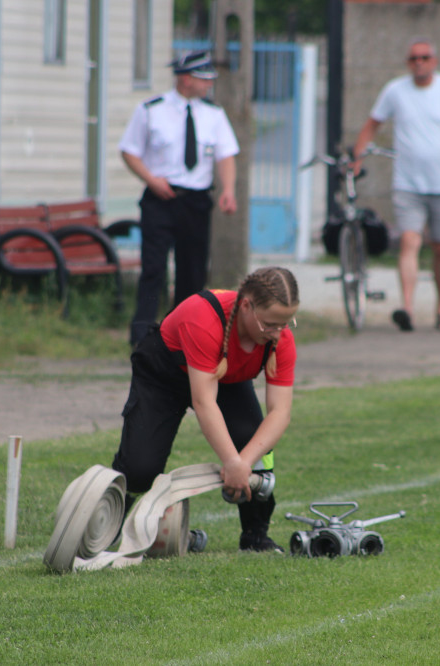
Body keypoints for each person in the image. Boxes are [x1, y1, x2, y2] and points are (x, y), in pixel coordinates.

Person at [111, 266, 300, 552]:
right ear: (246, 306)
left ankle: (255, 535)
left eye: (285, 323)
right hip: (163, 375)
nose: (277, 333)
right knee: (140, 469)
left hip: (225, 377)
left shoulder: (280, 338)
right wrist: (231, 462)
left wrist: (244, 462)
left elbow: (280, 413)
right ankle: (107, 526)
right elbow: (203, 402)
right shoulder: (203, 319)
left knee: (254, 441)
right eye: (270, 323)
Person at [353, 37, 440, 333]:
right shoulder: (395, 91)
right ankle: (407, 307)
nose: (418, 63)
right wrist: (357, 156)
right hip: (408, 183)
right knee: (410, 241)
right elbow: (372, 124)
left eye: (424, 57)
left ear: (433, 60)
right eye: (413, 58)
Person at [118, 50, 240, 346]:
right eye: (204, 78)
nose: (209, 84)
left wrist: (228, 189)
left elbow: (226, 155)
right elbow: (129, 150)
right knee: (154, 269)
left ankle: (184, 335)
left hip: (195, 201)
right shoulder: (151, 109)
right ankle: (143, 335)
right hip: (160, 199)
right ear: (186, 79)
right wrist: (151, 179)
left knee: (193, 270)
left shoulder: (214, 114)